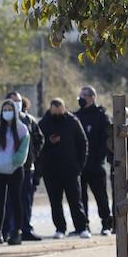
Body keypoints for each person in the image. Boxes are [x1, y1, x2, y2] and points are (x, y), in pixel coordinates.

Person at [37, 97, 90, 238]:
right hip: (51, 171)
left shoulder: (72, 121)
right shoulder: (44, 123)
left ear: (64, 108)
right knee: (55, 202)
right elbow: (38, 146)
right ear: (50, 109)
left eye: (60, 111)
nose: (57, 114)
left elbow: (83, 143)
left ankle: (82, 227)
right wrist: (49, 142)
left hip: (71, 170)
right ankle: (60, 228)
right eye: (55, 111)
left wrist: (80, 165)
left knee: (75, 200)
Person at [0, 98, 31, 246]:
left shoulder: (21, 129)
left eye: (10, 109)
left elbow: (23, 150)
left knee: (15, 200)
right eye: (5, 110)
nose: (7, 112)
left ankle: (17, 232)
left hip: (15, 170)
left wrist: (15, 161)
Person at [74, 85, 114, 234]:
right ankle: (84, 226)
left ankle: (106, 225)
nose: (81, 99)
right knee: (81, 197)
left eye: (84, 96)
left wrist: (99, 159)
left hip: (96, 164)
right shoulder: (76, 116)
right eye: (80, 96)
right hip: (80, 165)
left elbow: (106, 140)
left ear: (92, 97)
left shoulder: (101, 115)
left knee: (101, 196)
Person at [5, 92, 43, 242]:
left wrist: (32, 155)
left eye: (19, 101)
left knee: (25, 200)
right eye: (13, 101)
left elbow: (39, 139)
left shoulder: (29, 120)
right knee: (8, 201)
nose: (16, 104)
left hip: (26, 168)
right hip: (6, 169)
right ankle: (6, 230)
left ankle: (25, 229)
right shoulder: (1, 121)